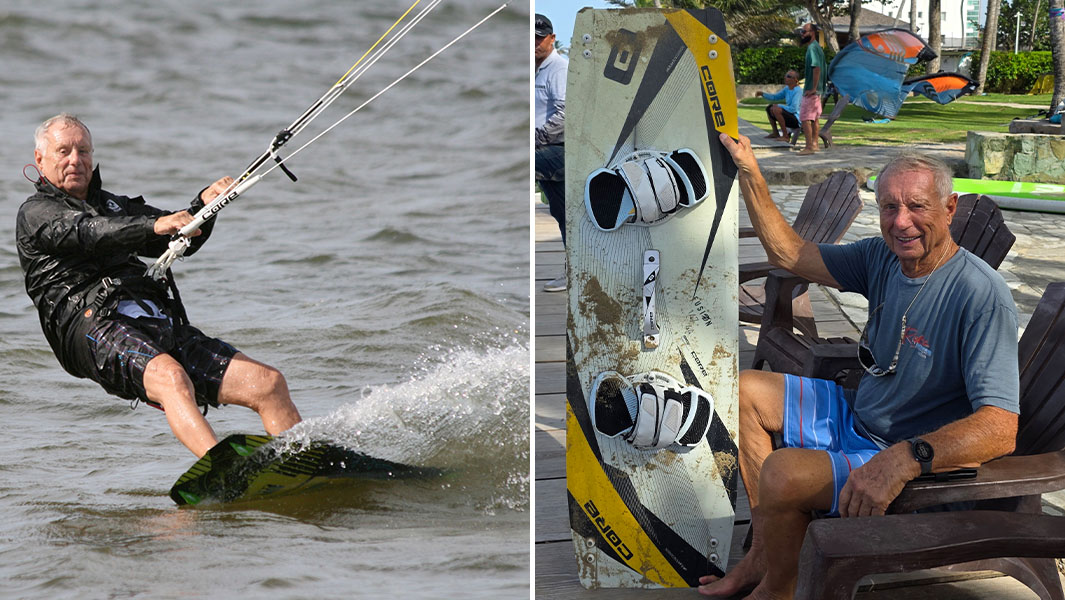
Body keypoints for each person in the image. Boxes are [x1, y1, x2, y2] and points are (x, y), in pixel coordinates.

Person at [698, 133, 1020, 599]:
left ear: (949, 209)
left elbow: (1001, 427)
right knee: (743, 388)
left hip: (905, 452)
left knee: (784, 475)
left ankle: (781, 590)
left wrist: (905, 459)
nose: (901, 222)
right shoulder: (882, 257)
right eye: (889, 207)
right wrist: (750, 171)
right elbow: (789, 254)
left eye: (917, 207)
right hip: (859, 414)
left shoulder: (980, 295)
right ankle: (763, 557)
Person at [17, 113, 302, 458]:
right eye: (63, 151)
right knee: (172, 377)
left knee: (269, 384)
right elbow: (90, 233)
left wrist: (204, 207)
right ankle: (223, 468)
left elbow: (179, 238)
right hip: (91, 326)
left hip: (150, 319)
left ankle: (305, 463)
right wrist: (154, 225)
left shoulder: (112, 205)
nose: (75, 160)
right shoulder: (36, 213)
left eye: (83, 151)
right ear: (40, 159)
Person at [534, 13, 568, 292]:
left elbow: (565, 114)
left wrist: (536, 139)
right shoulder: (534, 68)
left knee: (565, 212)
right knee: (562, 212)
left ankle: (576, 271)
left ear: (551, 38)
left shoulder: (558, 68)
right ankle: (576, 269)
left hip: (556, 150)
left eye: (539, 38)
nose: (534, 43)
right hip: (543, 149)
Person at [797, 23, 827, 156]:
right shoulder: (817, 48)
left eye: (804, 32)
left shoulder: (812, 49)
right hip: (817, 90)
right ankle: (815, 145)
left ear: (812, 32)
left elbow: (816, 68)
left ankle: (809, 147)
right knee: (814, 118)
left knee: (804, 118)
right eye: (801, 32)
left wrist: (813, 88)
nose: (802, 34)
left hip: (812, 90)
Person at [755, 70, 801, 141]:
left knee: (776, 109)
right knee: (769, 108)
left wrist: (779, 106)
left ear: (795, 80)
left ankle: (785, 136)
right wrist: (762, 94)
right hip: (790, 116)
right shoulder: (787, 89)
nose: (785, 77)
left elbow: (793, 109)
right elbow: (775, 97)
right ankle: (775, 133)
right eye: (785, 76)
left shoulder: (798, 91)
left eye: (788, 76)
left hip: (797, 120)